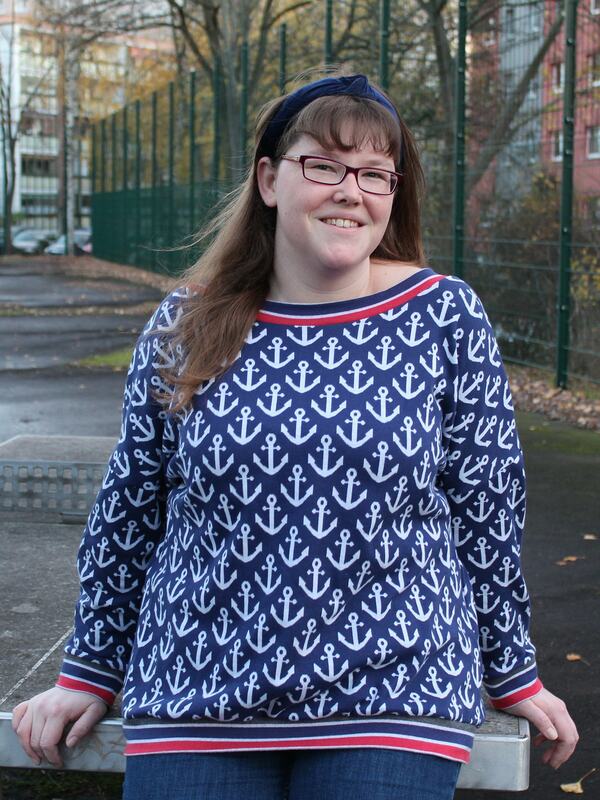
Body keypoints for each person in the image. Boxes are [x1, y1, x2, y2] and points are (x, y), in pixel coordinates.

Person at [12, 73, 578, 800]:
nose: (351, 190)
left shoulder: (444, 316)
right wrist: (89, 669)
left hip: (394, 684)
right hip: (198, 678)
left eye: (375, 173)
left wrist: (513, 670)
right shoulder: (187, 322)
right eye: (324, 165)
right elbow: (132, 504)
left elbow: (487, 508)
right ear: (269, 180)